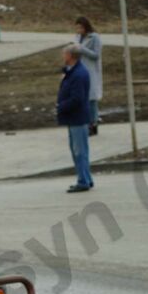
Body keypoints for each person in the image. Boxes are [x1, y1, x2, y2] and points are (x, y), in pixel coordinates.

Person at [56, 44, 93, 193]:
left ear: (71, 56)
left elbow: (77, 98)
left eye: (64, 54)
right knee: (79, 150)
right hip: (75, 118)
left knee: (79, 151)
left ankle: (83, 181)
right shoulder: (75, 71)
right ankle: (86, 178)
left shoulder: (79, 74)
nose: (63, 57)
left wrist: (61, 106)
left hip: (77, 117)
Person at [73, 16, 102, 135]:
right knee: (82, 98)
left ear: (86, 27)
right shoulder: (77, 37)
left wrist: (82, 49)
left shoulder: (94, 37)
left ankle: (93, 123)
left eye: (80, 27)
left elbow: (96, 55)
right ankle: (85, 123)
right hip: (79, 70)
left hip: (91, 71)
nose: (79, 30)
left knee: (92, 99)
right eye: (77, 28)